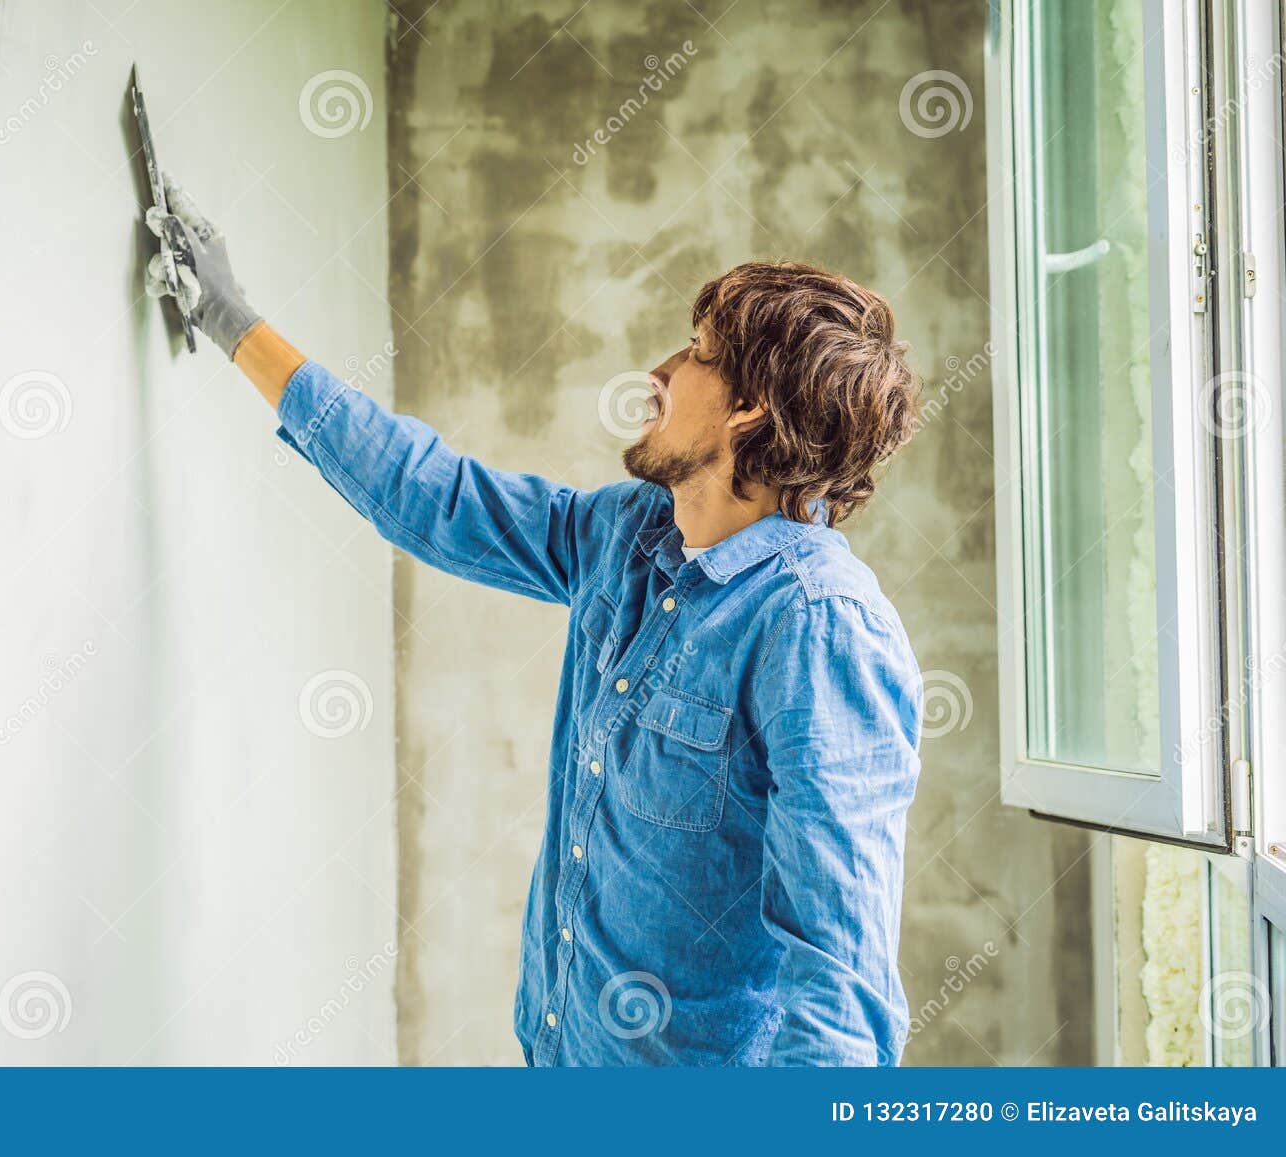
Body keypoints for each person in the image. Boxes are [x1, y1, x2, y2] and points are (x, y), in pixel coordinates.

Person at [145, 181, 925, 1066]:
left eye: (698, 354)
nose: (661, 373)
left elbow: (842, 999)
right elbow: (431, 496)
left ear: (749, 406)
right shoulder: (630, 535)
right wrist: (232, 318)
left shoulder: (819, 630)